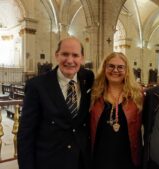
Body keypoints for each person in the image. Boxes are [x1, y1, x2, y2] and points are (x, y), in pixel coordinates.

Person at [17, 37, 94, 169]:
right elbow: (26, 134)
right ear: (56, 55)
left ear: (82, 58)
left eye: (75, 55)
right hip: (50, 161)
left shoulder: (88, 77)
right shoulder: (37, 86)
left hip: (81, 160)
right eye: (65, 54)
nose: (70, 60)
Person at [90, 52, 143, 169]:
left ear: (127, 70)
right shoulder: (94, 94)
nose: (115, 70)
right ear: (104, 68)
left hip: (128, 160)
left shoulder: (138, 96)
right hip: (99, 159)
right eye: (111, 66)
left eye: (120, 67)